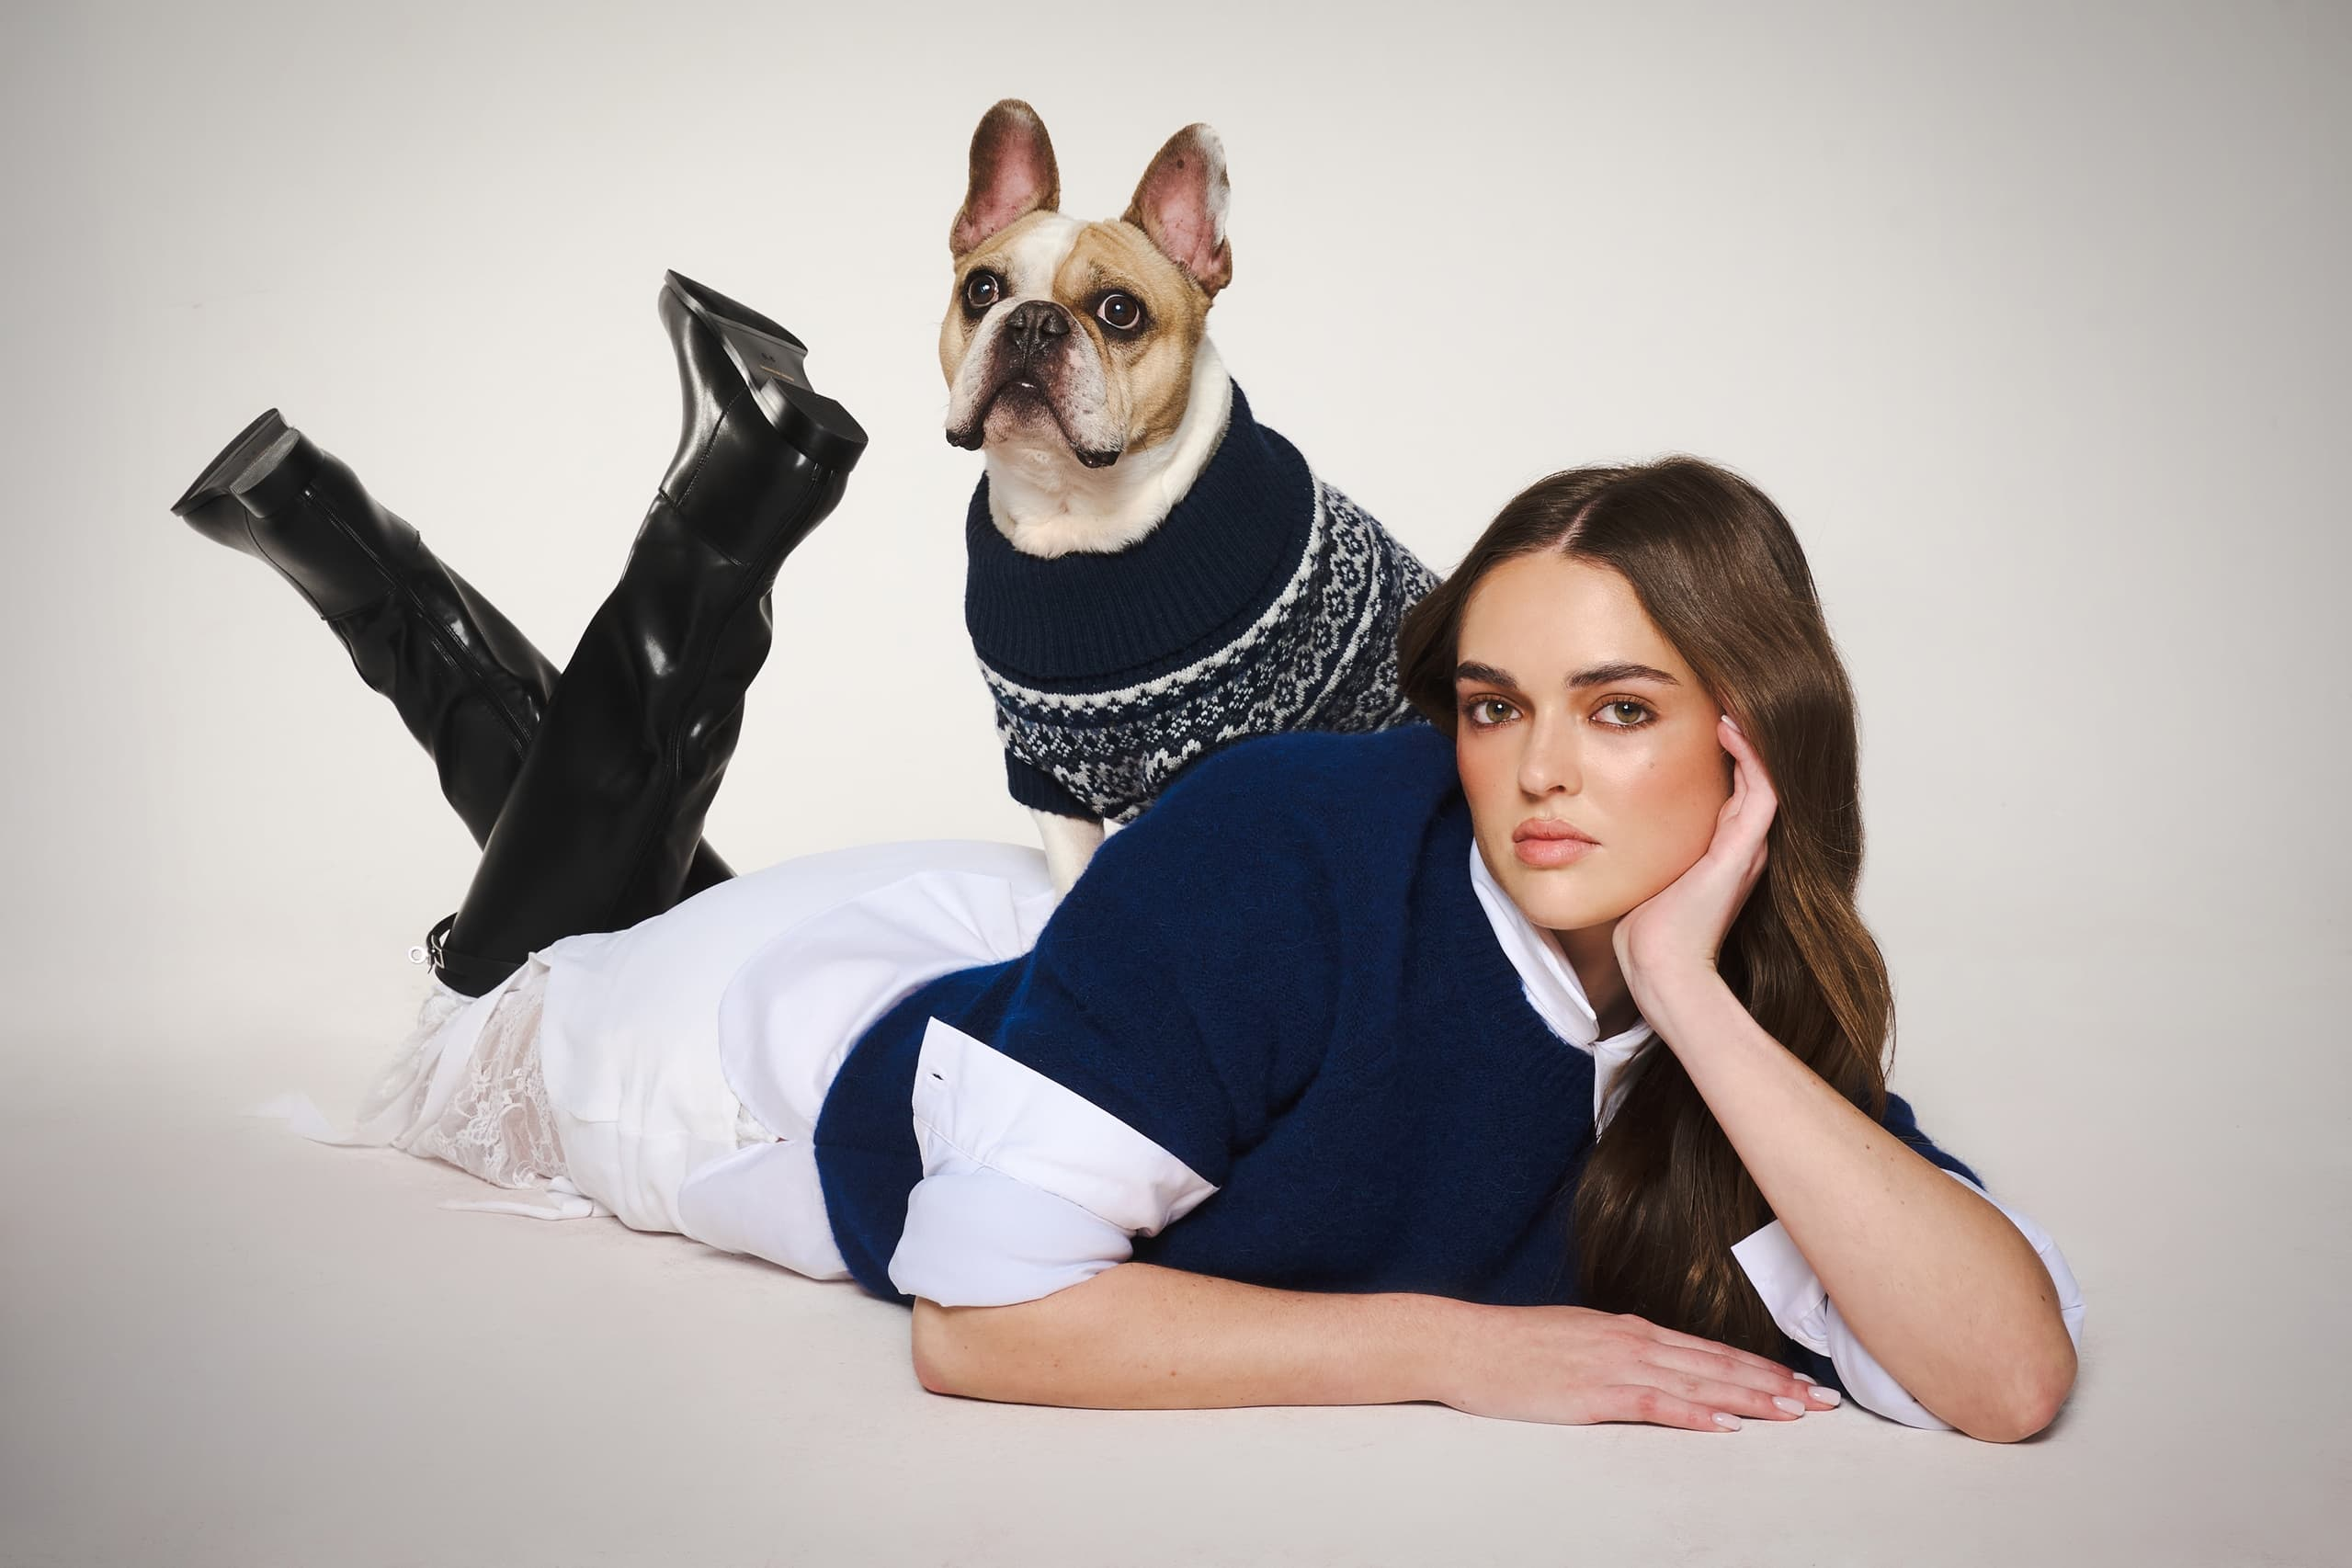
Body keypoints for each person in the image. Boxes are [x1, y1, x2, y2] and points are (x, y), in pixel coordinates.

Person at [173, 273, 2083, 1441]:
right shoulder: (1291, 837)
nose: (1537, 772)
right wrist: (1444, 1352)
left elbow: (2002, 1378)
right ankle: (671, 522)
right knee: (522, 966)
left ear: (1756, 738)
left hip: (1047, 975)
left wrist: (1684, 996)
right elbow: (982, 1321)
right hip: (765, 1067)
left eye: (1622, 708)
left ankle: (378, 547)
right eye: (1493, 703)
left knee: (596, 862)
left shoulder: (1720, 994)